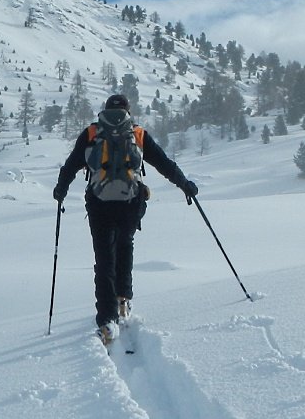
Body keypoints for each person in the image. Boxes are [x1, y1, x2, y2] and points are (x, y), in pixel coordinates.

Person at [53, 93, 197, 344]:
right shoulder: (137, 133)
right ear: (128, 111)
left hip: (99, 203)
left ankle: (107, 320)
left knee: (104, 258)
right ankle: (123, 300)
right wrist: (185, 185)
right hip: (131, 202)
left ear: (105, 110)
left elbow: (71, 166)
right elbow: (164, 163)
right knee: (125, 245)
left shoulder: (91, 133)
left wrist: (60, 191)